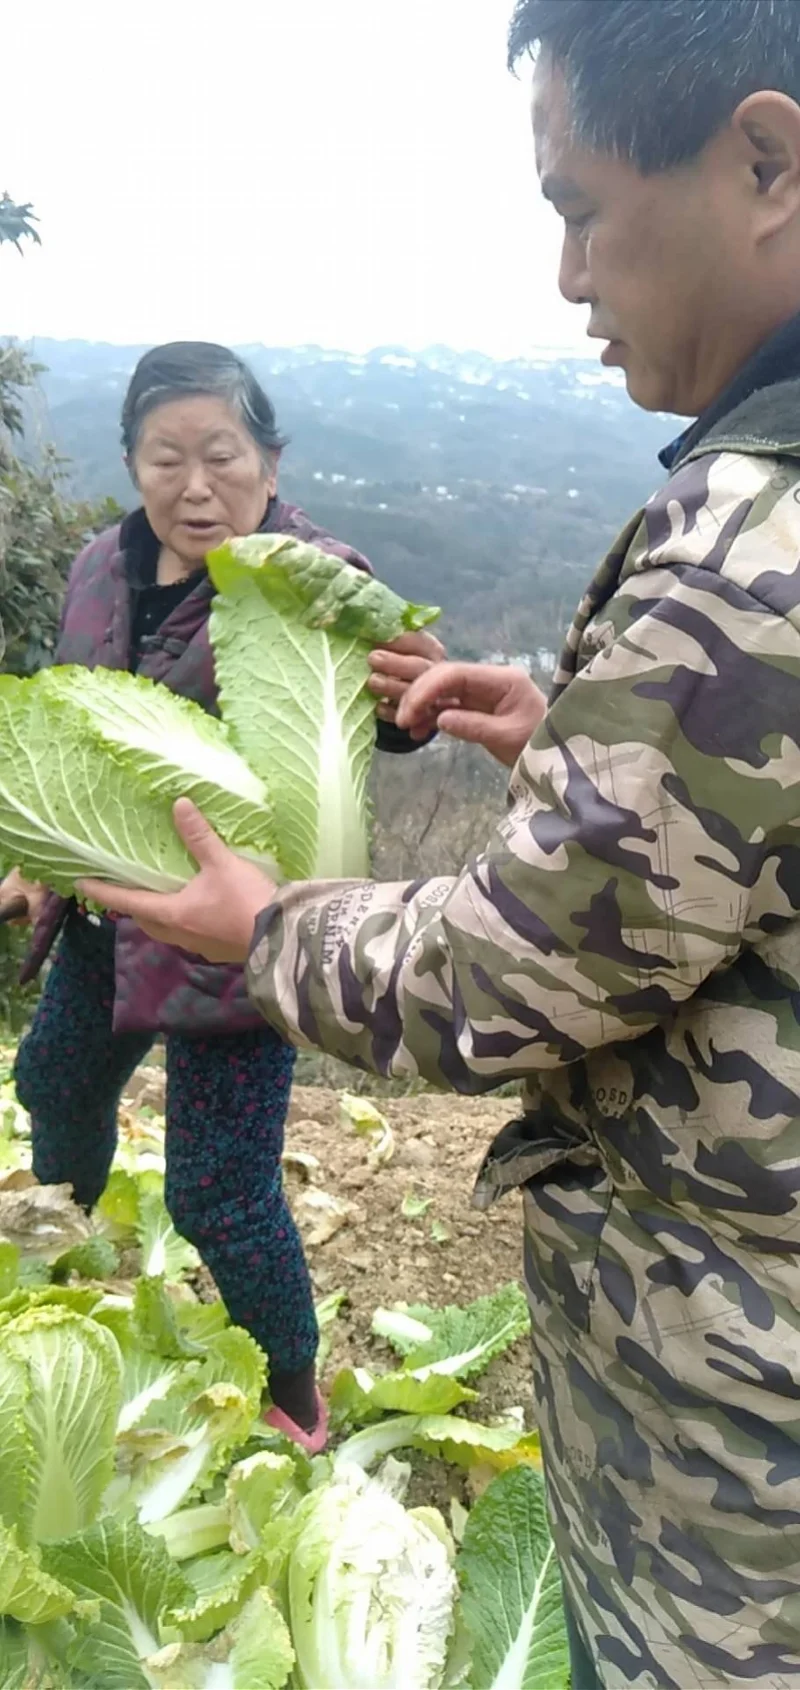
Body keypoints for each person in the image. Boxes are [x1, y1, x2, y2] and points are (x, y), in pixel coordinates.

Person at [75, 1, 800, 1682]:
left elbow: (509, 977)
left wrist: (267, 927)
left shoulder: (753, 550)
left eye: (575, 208)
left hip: (737, 1446)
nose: (567, 279)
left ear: (762, 158)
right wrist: (582, 722)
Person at [4, 340, 442, 1456]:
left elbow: (387, 717)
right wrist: (43, 859)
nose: (194, 487)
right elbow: (78, 725)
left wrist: (415, 692)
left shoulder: (309, 573)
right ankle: (64, 1249)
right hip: (113, 907)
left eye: (221, 455)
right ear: (131, 464)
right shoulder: (103, 564)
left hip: (246, 939)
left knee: (220, 1192)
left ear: (268, 456)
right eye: (164, 459)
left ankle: (293, 1395)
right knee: (50, 1079)